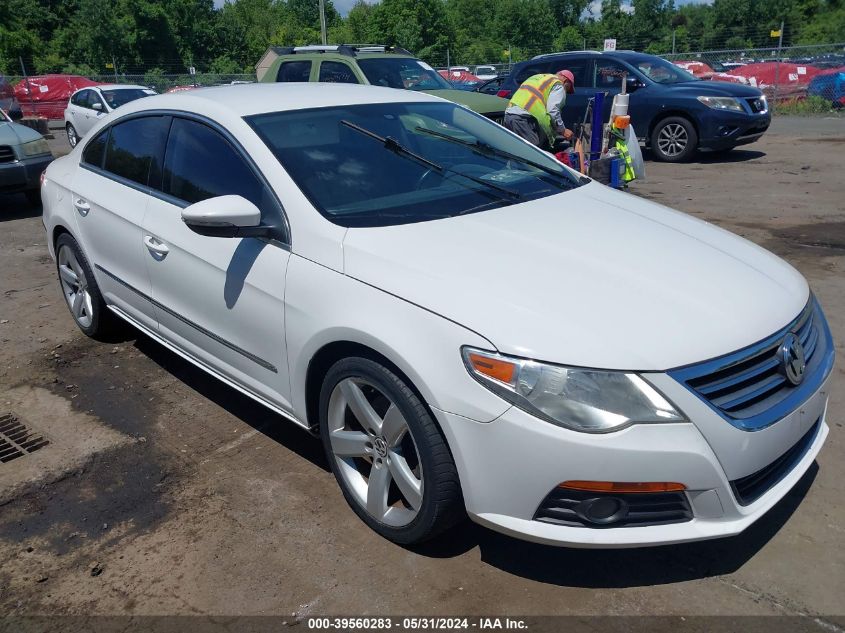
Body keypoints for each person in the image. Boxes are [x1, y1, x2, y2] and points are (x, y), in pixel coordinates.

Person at [503, 70, 575, 150]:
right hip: (525, 119)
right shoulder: (558, 84)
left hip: (509, 115)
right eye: (568, 88)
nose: (566, 91)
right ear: (566, 80)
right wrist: (563, 130)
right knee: (533, 153)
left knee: (516, 151)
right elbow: (553, 110)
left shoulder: (538, 78)